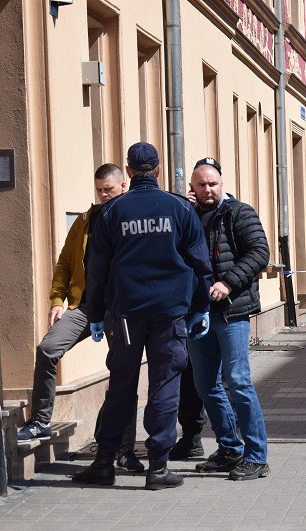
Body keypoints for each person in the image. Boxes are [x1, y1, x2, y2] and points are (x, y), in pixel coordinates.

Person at [73, 142, 213, 490]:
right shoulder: (180, 208)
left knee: (121, 386)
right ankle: (158, 467)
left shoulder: (112, 211)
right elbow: (200, 263)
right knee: (164, 385)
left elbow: (96, 270)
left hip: (126, 313)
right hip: (170, 312)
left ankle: (104, 462)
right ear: (159, 169)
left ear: (128, 171)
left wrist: (96, 312)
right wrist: (201, 307)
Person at [16, 164, 145, 471]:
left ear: (123, 186)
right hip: (85, 307)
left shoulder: (132, 218)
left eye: (108, 189)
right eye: (99, 190)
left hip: (120, 309)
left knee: (123, 374)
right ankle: (41, 421)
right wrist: (57, 300)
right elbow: (64, 263)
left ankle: (124, 449)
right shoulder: (86, 221)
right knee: (48, 349)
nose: (103, 195)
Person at [185, 157, 272, 481]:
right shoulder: (188, 215)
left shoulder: (239, 212)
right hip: (199, 313)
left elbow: (259, 253)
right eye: (201, 185)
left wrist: (228, 282)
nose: (207, 189)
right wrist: (184, 209)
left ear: (222, 184)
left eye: (213, 184)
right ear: (192, 187)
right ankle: (229, 448)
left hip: (231, 312)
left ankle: (257, 456)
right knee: (205, 385)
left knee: (237, 381)